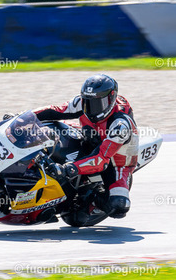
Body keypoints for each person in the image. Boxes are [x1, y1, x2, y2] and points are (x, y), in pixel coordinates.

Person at [32, 74, 139, 221]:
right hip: (90, 138)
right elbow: (55, 110)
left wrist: (71, 168)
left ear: (111, 99)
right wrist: (24, 117)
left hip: (116, 159)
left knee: (119, 206)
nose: (91, 108)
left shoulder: (120, 125)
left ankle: (92, 200)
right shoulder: (81, 102)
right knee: (51, 130)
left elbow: (101, 159)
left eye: (98, 104)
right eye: (88, 102)